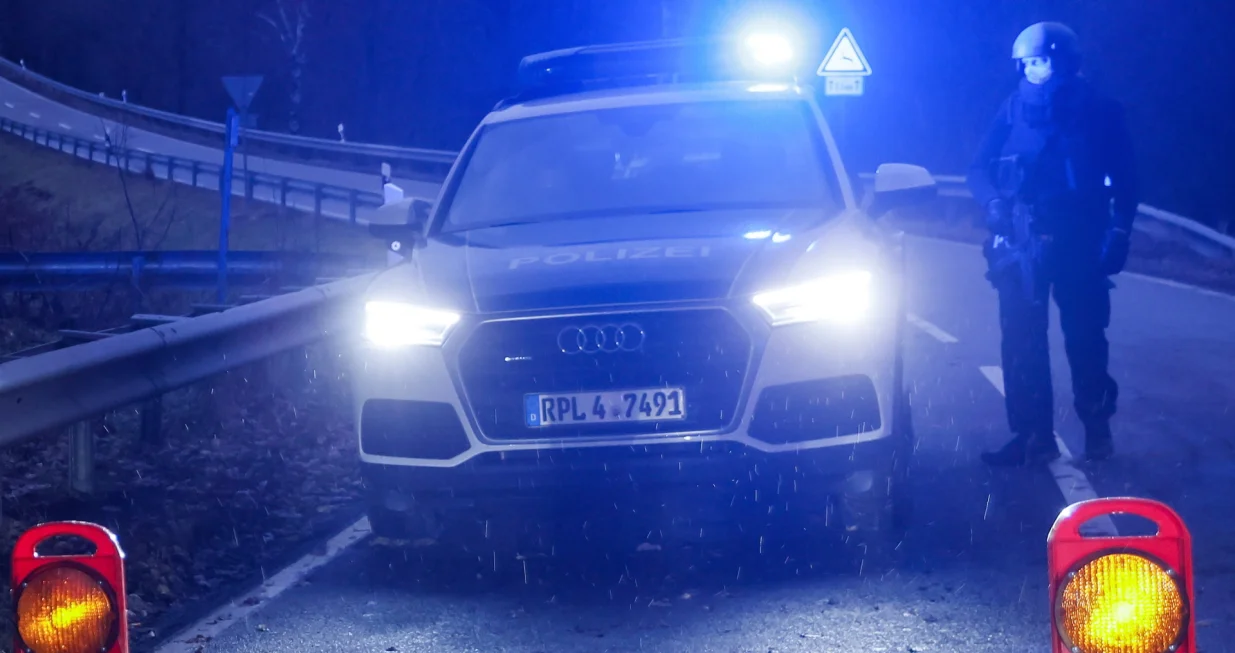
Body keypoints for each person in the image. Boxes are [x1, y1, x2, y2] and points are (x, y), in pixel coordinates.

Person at [968, 22, 1138, 466]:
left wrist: (1120, 230)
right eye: (1025, 63)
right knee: (1021, 342)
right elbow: (978, 167)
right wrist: (993, 206)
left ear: (1064, 62)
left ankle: (1097, 430)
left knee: (1085, 339)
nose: (1031, 70)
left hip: (1080, 240)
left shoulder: (1100, 110)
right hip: (1023, 242)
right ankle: (1031, 437)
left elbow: (1126, 178)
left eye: (1039, 61)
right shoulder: (1013, 107)